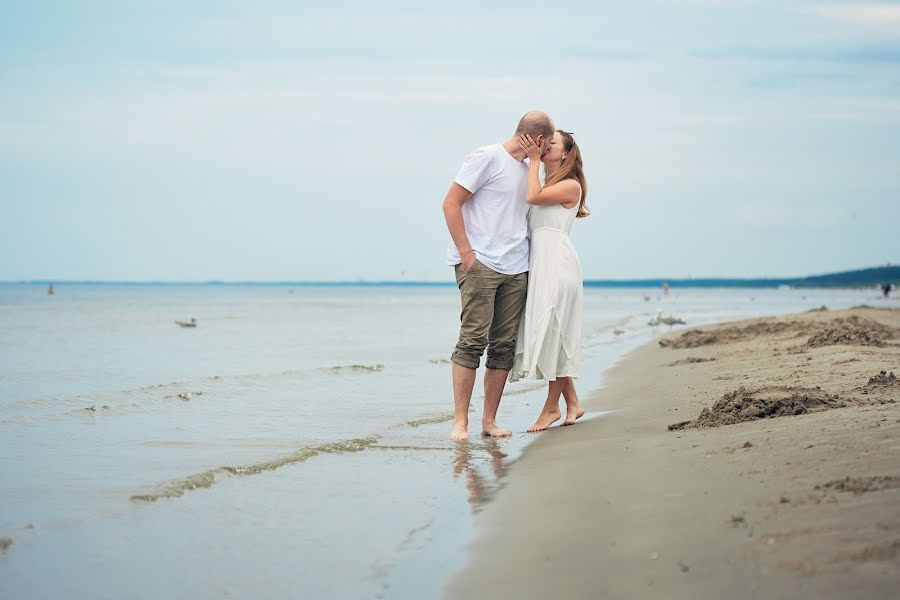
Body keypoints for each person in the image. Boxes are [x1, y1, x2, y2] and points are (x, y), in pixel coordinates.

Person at [443, 110, 556, 441]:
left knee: (503, 347)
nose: (548, 149)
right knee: (472, 340)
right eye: (548, 143)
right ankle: (460, 423)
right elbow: (451, 203)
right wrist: (467, 254)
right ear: (537, 140)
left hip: (516, 268)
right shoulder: (487, 157)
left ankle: (489, 422)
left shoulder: (528, 170)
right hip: (482, 264)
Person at [509, 130, 589, 432]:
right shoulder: (544, 181)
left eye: (551, 142)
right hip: (540, 263)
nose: (544, 145)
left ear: (566, 154)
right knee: (550, 328)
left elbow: (532, 197)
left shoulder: (570, 185)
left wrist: (531, 161)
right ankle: (574, 403)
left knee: (554, 327)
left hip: (558, 263)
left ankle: (551, 407)